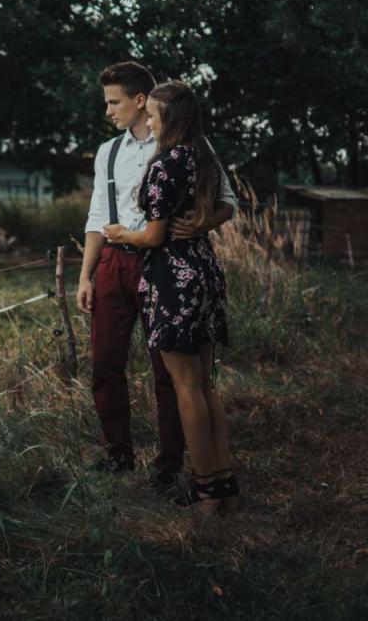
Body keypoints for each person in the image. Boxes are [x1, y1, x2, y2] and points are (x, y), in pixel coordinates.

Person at [76, 62, 237, 496]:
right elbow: (96, 215)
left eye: (114, 102)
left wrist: (200, 225)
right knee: (106, 362)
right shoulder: (108, 152)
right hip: (115, 262)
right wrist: (86, 275)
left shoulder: (184, 145)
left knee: (170, 372)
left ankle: (170, 463)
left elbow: (226, 203)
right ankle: (118, 453)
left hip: (162, 263)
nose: (108, 111)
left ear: (141, 101)